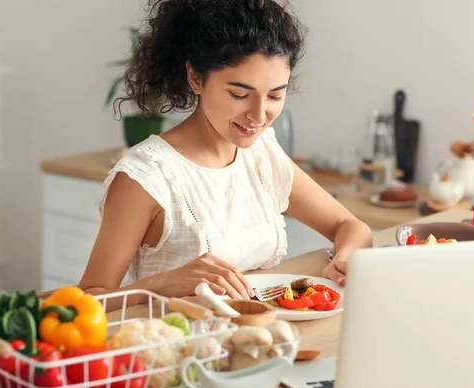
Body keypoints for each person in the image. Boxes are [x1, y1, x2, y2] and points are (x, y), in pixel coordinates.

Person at [78, 0, 373, 303]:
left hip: (257, 337)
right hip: (178, 344)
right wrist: (162, 284)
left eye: (274, 96)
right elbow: (87, 300)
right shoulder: (147, 176)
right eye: (239, 94)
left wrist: (345, 258)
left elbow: (350, 226)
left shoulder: (261, 155)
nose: (258, 116)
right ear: (195, 78)